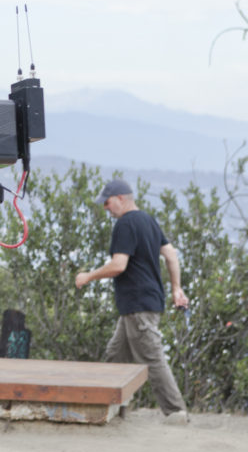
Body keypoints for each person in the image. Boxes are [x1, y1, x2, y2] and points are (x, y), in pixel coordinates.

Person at [75, 179, 190, 424]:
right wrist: (176, 288)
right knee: (115, 355)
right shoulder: (147, 220)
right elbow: (170, 254)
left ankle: (176, 412)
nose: (106, 208)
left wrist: (88, 276)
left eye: (107, 202)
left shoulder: (125, 223)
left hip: (138, 303)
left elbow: (119, 265)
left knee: (152, 358)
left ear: (121, 198)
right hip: (139, 304)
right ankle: (109, 409)